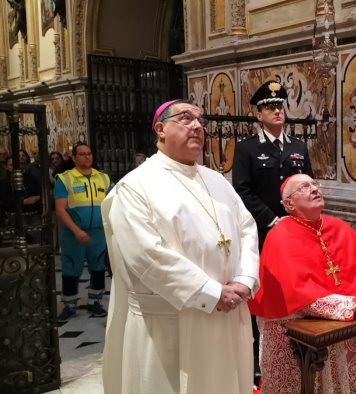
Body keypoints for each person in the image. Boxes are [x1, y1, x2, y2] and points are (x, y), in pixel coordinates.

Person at [101, 99, 259, 394]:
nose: (197, 125)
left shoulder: (218, 180)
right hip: (170, 323)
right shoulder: (135, 186)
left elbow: (247, 228)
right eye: (186, 118)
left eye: (201, 120)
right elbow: (146, 255)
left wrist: (245, 280)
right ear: (160, 129)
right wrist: (212, 293)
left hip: (228, 314)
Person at [249, 173, 356, 393]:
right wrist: (354, 306)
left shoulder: (337, 225)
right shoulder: (279, 235)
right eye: (305, 187)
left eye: (315, 184)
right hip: (297, 330)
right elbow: (297, 293)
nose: (314, 189)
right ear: (289, 204)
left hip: (343, 327)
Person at [232, 79, 313, 383]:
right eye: (269, 107)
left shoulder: (298, 147)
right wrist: (271, 220)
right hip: (264, 233)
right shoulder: (247, 149)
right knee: (263, 291)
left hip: (296, 232)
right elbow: (242, 190)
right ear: (258, 115)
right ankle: (256, 356)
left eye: (279, 106)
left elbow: (308, 184)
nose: (277, 111)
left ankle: (296, 344)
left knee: (296, 289)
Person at [54, 142, 111, 321]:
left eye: (89, 153)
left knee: (98, 268)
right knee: (71, 268)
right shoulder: (65, 179)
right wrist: (76, 231)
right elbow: (60, 209)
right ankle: (70, 305)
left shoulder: (103, 178)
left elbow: (115, 200)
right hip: (73, 234)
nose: (87, 157)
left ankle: (95, 302)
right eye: (82, 154)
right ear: (74, 157)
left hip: (98, 233)